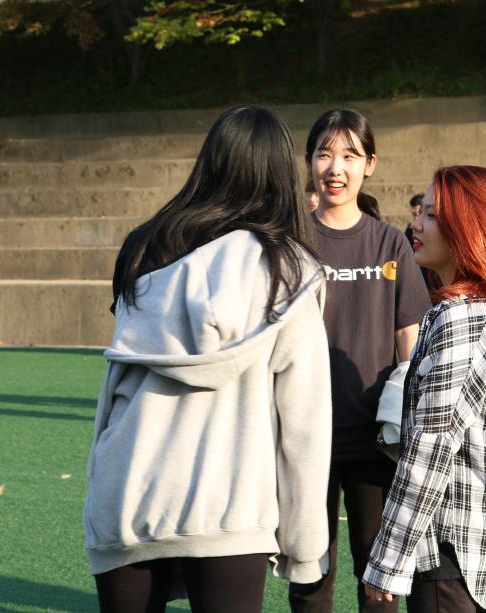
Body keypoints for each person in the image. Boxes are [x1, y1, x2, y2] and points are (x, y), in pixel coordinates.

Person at [85, 105, 332, 613]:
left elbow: (117, 383)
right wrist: (306, 545)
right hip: (230, 508)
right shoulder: (288, 270)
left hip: (128, 492)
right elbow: (303, 423)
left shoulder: (143, 248)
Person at [362, 165, 486, 613]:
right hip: (473, 546)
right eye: (420, 211)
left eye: (433, 215)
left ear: (469, 227)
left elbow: (431, 447)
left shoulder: (464, 319)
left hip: (451, 547)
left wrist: (388, 559)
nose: (417, 224)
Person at [289, 108, 431, 613]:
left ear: (369, 164)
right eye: (324, 154)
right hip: (303, 438)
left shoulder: (390, 242)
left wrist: (410, 426)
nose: (336, 168)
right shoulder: (291, 242)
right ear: (309, 161)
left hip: (376, 440)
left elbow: (409, 338)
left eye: (349, 156)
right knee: (310, 574)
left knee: (378, 574)